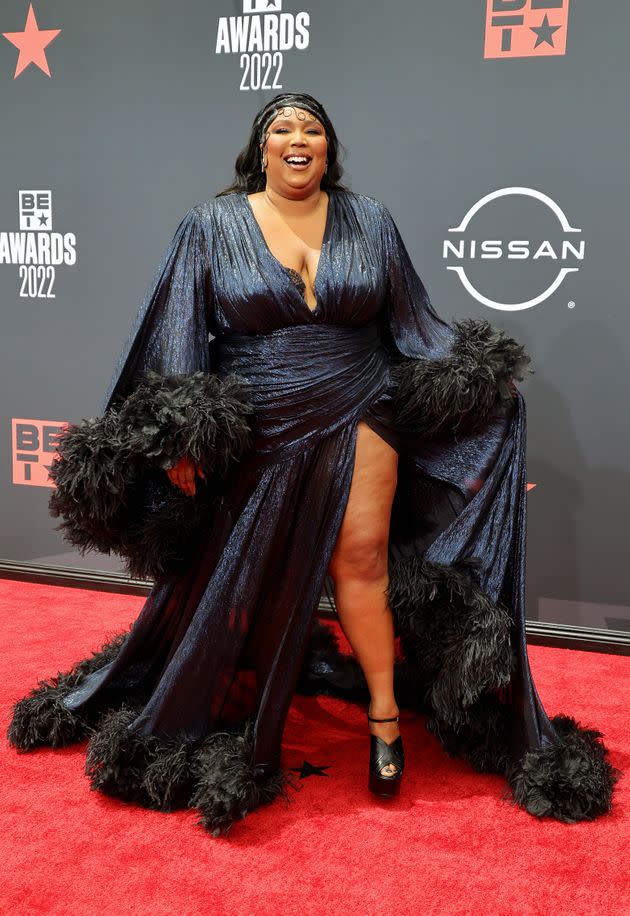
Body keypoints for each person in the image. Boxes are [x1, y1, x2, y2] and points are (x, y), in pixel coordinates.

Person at [7, 92, 619, 836]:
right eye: (282, 129)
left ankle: (385, 720)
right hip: (260, 421)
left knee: (360, 559)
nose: (298, 140)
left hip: (363, 404)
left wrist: (481, 383)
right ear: (259, 147)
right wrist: (181, 439)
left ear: (330, 149)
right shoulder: (210, 226)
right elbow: (177, 334)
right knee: (246, 571)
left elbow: (413, 324)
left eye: (313, 131)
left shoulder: (372, 221)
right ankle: (237, 684)